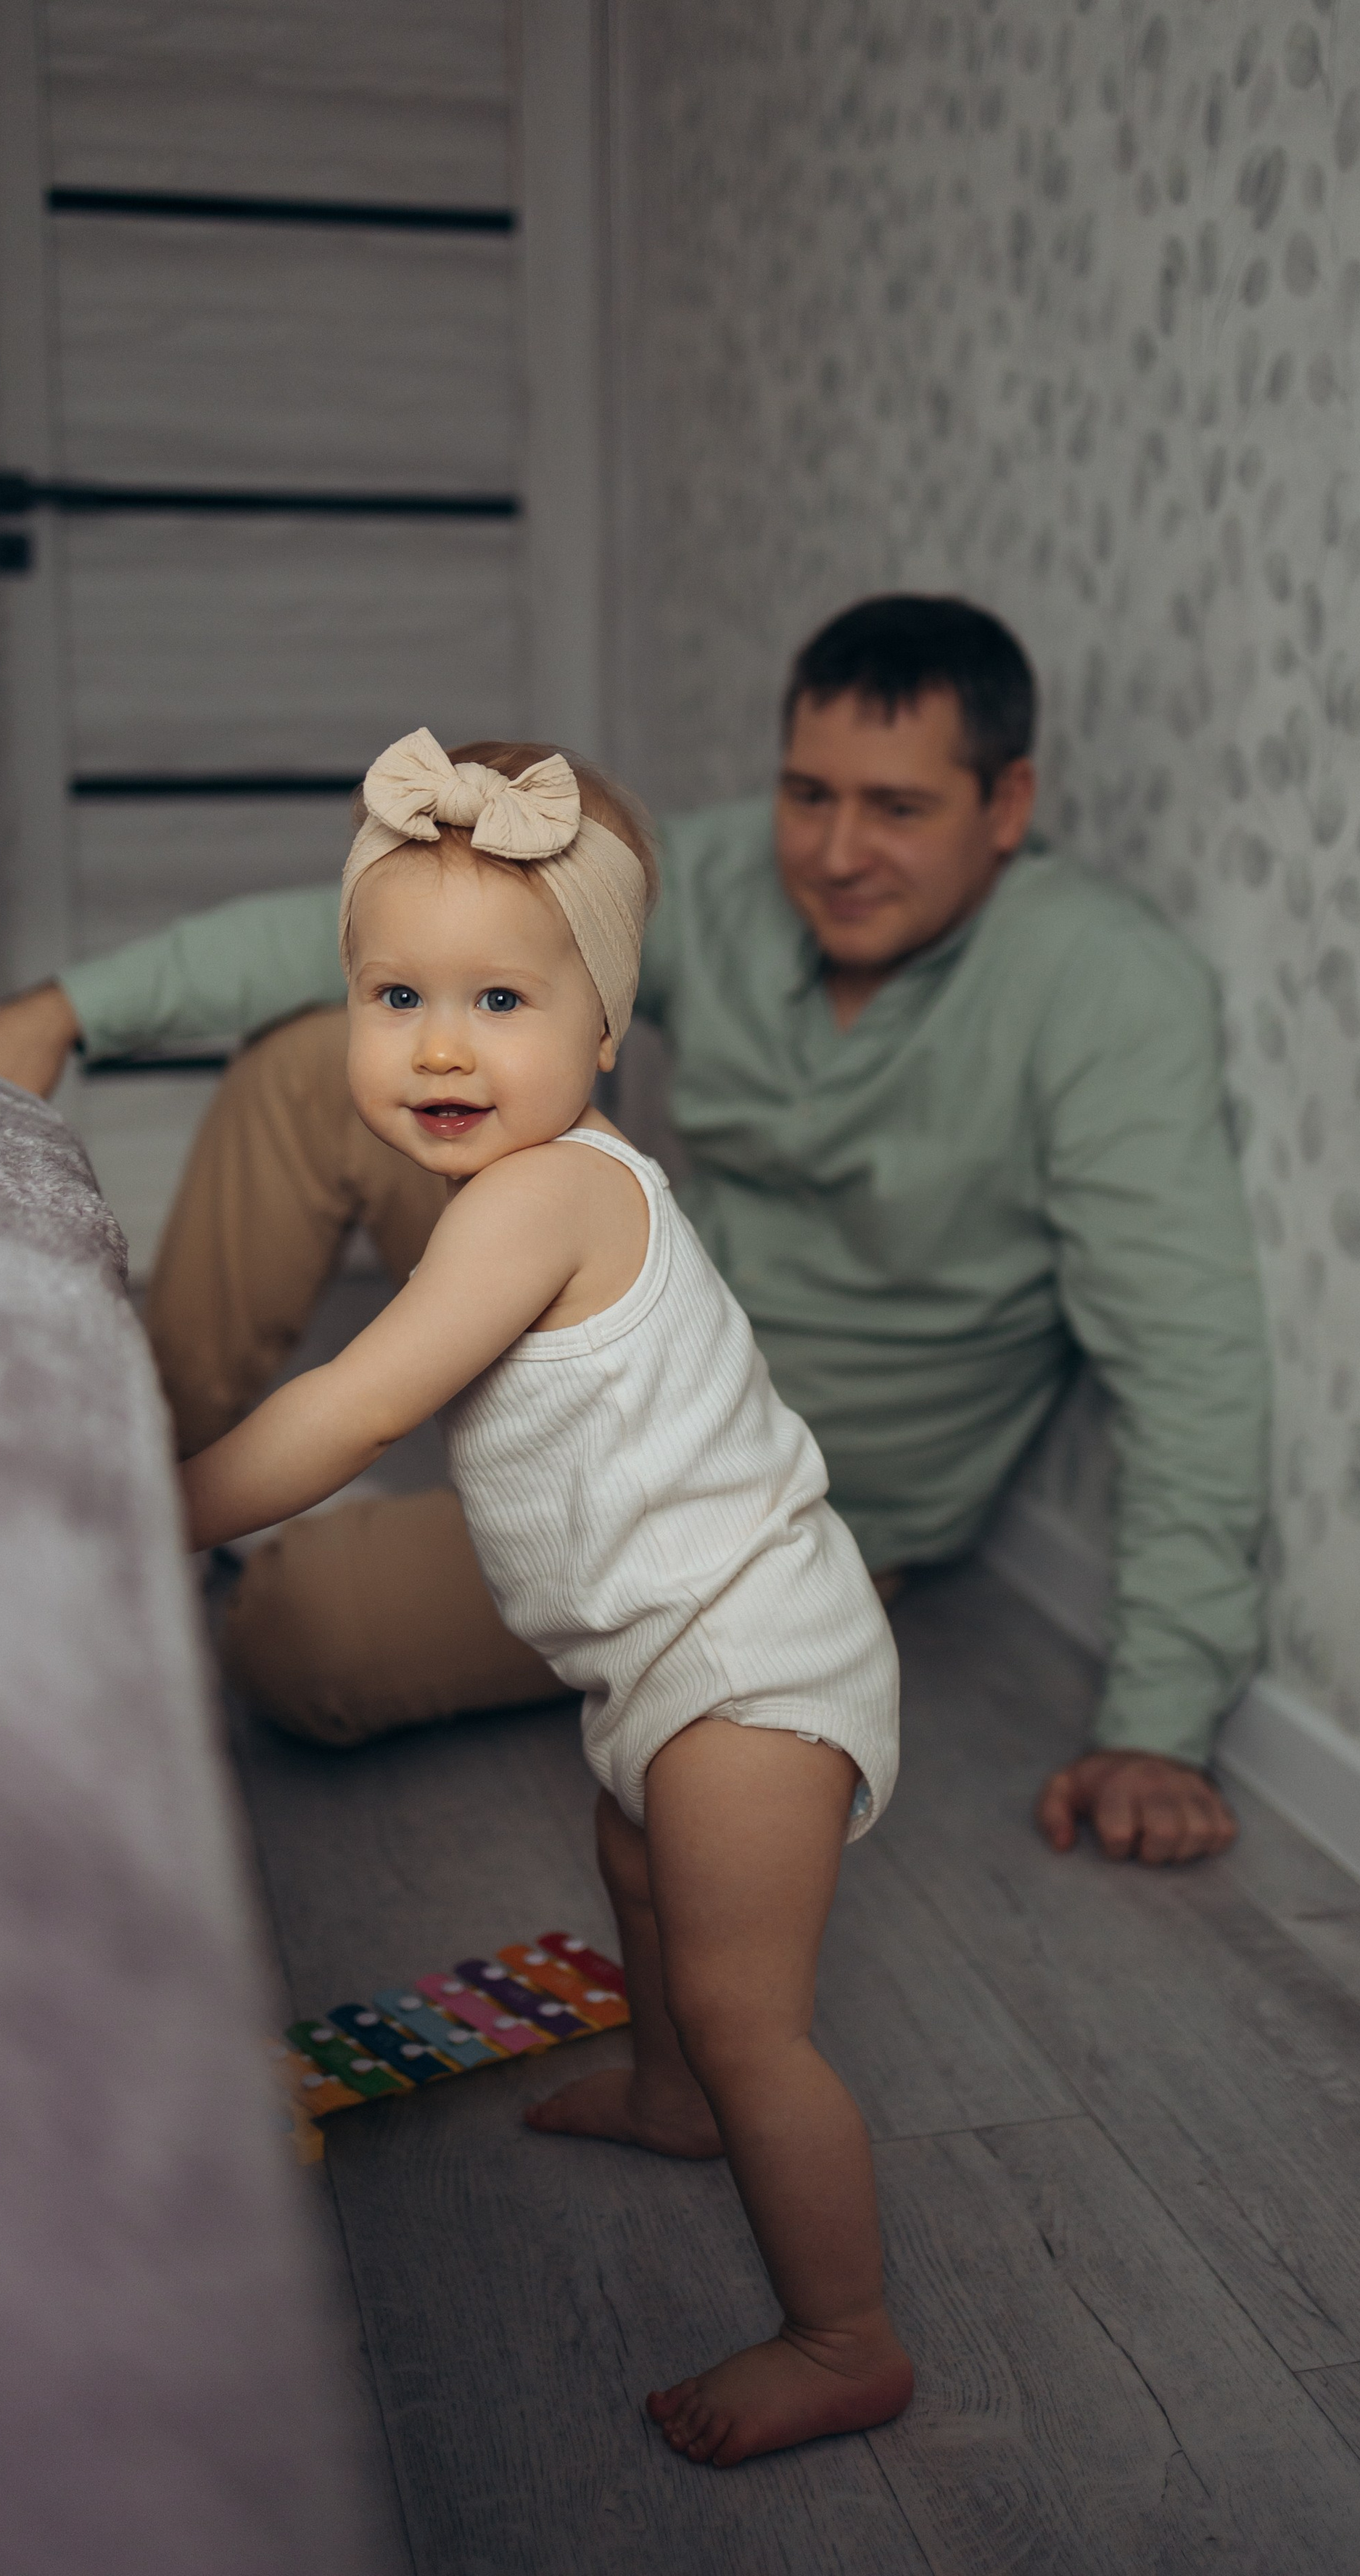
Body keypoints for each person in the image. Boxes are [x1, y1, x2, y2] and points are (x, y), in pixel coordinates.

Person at [0, 596, 1269, 1865]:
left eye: (897, 808)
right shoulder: (733, 878)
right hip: (628, 1331)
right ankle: (123, 1472)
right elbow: (378, 934)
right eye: (809, 794)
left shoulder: (1107, 988)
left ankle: (186, 1527)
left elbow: (1187, 1359)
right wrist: (63, 1011)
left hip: (749, 1511)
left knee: (296, 1632)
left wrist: (1157, 1728)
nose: (839, 851)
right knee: (316, 1063)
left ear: (1007, 804)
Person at [184, 730, 911, 2467]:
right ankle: (666, 2099)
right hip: (658, 1649)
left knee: (749, 2017)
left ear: (602, 1036)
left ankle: (843, 2335)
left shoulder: (544, 1197)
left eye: (500, 1003)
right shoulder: (518, 1186)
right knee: (635, 1869)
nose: (439, 1045)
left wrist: (152, 1505)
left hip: (748, 1657)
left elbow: (354, 1408)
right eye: (395, 996)